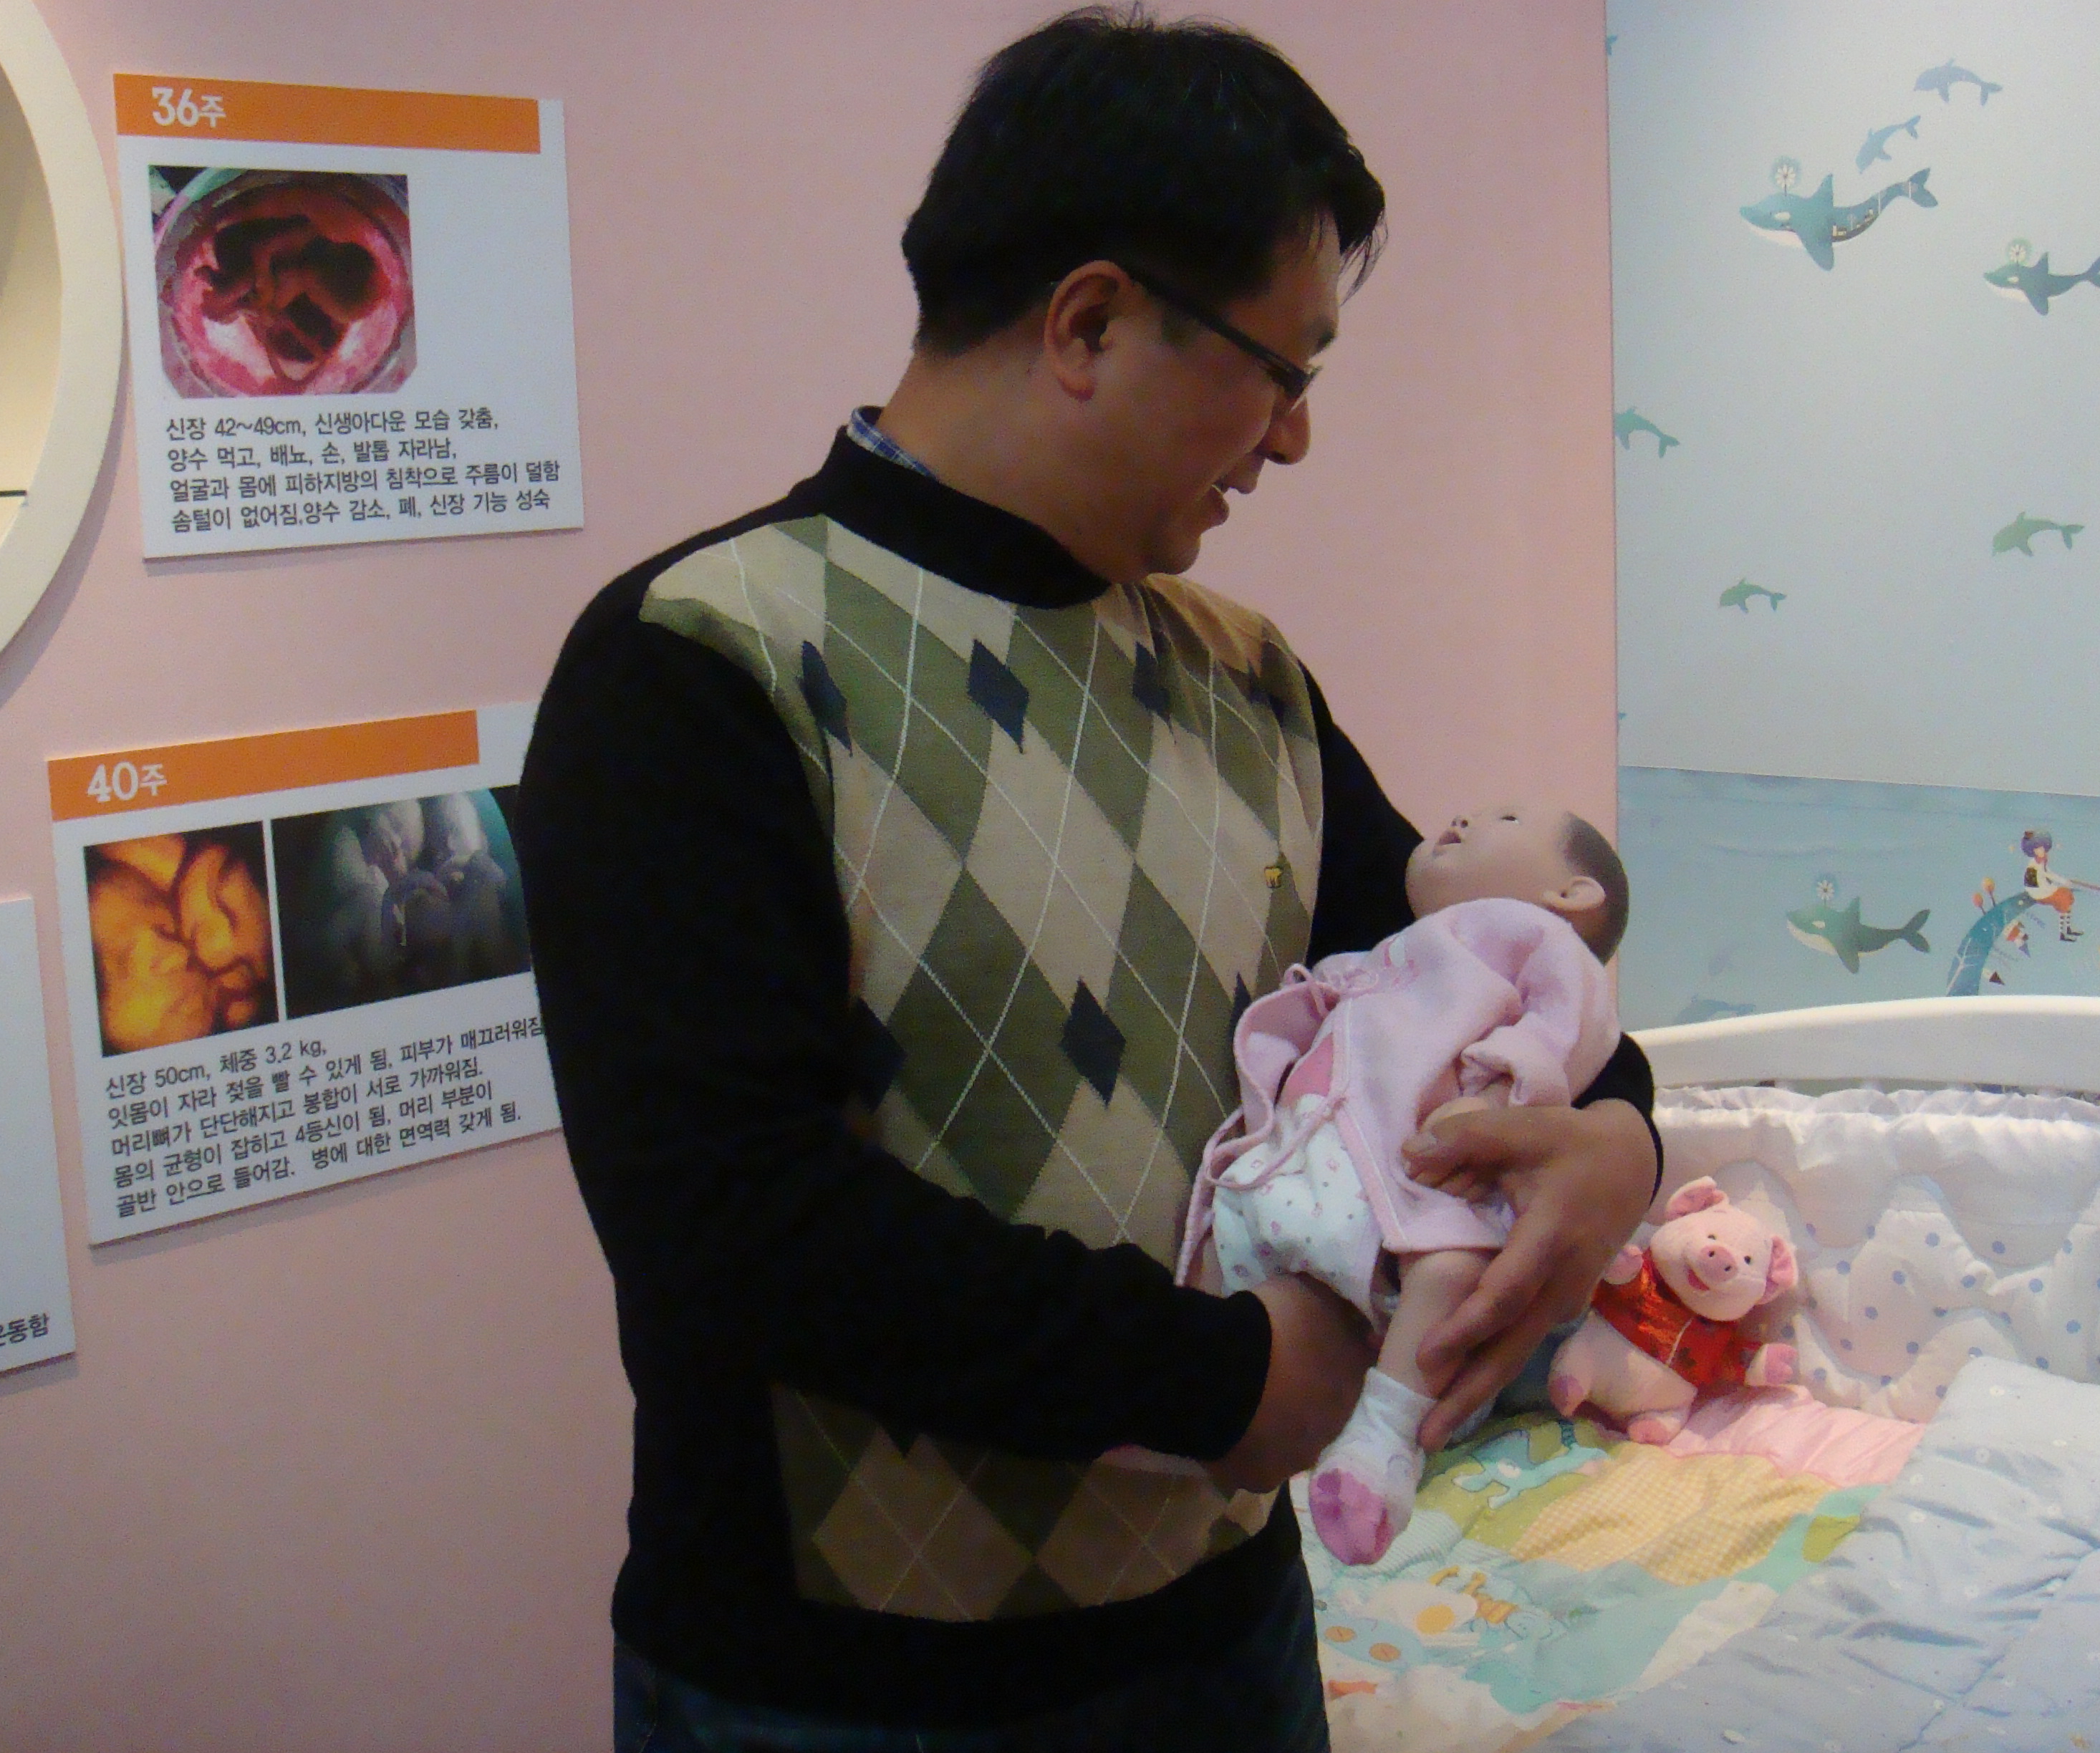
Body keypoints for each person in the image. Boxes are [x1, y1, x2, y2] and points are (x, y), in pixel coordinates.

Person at [515, 11, 1660, 1750]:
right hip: (841, 1688)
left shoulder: (1246, 676)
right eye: (1283, 371)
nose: (1292, 440)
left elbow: (1473, 968)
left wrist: (1621, 1132)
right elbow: (731, 1223)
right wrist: (1229, 1382)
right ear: (1090, 322)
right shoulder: (696, 662)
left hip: (1229, 1632)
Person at [1174, 806, 1629, 1565]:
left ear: (1571, 894)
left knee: (1449, 1266)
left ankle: (1384, 1442)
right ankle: (1164, 1440)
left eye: (1506, 816)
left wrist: (1500, 1095)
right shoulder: (1399, 948)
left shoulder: (1532, 936)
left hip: (1421, 1158)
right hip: (1311, 1149)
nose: (1464, 814)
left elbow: (1569, 1024)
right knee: (1224, 1246)